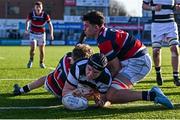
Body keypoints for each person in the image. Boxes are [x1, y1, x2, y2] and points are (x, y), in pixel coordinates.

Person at [80, 11, 174, 108]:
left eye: (86, 26)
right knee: (108, 88)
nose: (84, 29)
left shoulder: (104, 40)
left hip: (138, 62)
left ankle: (152, 95)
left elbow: (116, 67)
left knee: (111, 94)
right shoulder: (104, 34)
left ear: (96, 27)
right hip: (135, 59)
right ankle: (107, 99)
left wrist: (101, 88)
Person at [62, 53, 174, 109]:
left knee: (112, 96)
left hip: (139, 62)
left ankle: (152, 95)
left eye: (95, 72)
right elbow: (65, 91)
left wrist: (100, 102)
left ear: (102, 72)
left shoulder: (105, 78)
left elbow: (105, 101)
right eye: (89, 69)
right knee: (58, 93)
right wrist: (74, 94)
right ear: (86, 64)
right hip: (76, 85)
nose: (90, 74)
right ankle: (152, 95)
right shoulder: (78, 66)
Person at [13, 44, 94, 98]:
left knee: (46, 77)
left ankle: (21, 90)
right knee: (87, 86)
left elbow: (75, 53)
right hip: (63, 93)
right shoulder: (75, 70)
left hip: (49, 83)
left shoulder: (66, 57)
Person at [142, 0, 180, 86]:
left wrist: (178, 8)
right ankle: (158, 73)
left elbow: (178, 5)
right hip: (157, 24)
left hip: (170, 24)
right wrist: (153, 8)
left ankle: (176, 77)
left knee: (175, 49)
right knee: (156, 52)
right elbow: (144, 5)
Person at [25, 1, 54, 69]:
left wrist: (51, 34)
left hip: (41, 34)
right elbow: (27, 21)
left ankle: (41, 62)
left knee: (41, 50)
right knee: (33, 48)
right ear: (35, 8)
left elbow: (50, 24)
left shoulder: (45, 15)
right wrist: (26, 28)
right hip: (33, 33)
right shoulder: (31, 14)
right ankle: (31, 60)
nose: (38, 8)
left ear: (42, 8)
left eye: (39, 7)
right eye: (37, 7)